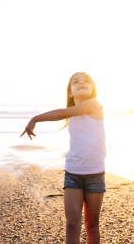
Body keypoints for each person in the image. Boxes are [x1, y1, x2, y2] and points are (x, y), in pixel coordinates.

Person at [20, 72, 106, 244]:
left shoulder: (94, 104)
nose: (81, 82)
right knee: (72, 225)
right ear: (70, 92)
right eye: (76, 81)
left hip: (95, 175)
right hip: (73, 173)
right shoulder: (73, 115)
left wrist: (36, 119)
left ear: (93, 89)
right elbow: (65, 113)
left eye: (86, 81)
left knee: (92, 225)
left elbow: (61, 112)